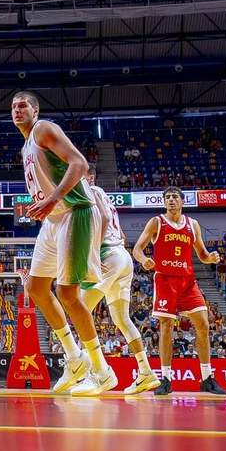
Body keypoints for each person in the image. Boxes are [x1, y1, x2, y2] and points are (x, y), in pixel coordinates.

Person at [10, 90, 111, 397]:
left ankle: (102, 371)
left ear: (36, 110)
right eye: (13, 107)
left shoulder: (43, 129)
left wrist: (53, 198)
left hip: (74, 212)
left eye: (23, 105)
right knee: (36, 288)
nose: (17, 110)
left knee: (67, 293)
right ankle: (74, 357)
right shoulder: (26, 145)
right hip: (53, 220)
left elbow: (80, 164)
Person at [132, 188, 226, 396]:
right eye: (167, 198)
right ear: (164, 202)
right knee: (166, 327)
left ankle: (206, 378)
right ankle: (166, 379)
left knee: (203, 324)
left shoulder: (192, 224)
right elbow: (137, 249)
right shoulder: (157, 222)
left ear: (182, 201)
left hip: (187, 281)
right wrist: (143, 259)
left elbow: (202, 254)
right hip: (165, 280)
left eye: (175, 197)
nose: (171, 200)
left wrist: (211, 258)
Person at [77, 166, 160, 395]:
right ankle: (146, 371)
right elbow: (120, 232)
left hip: (107, 255)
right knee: (122, 319)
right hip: (122, 255)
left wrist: (94, 253)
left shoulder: (90, 190)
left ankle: (97, 373)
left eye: (79, 174)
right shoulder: (104, 195)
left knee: (80, 311)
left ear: (90, 177)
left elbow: (103, 219)